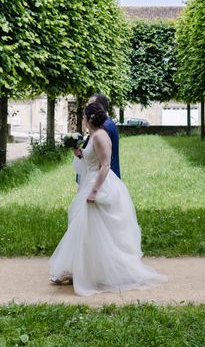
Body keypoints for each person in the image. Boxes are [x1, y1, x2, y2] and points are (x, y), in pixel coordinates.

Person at [49, 102, 166, 295]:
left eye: (85, 117)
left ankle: (88, 272)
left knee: (92, 229)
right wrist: (79, 154)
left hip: (99, 185)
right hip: (92, 182)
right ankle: (76, 269)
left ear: (90, 118)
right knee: (82, 228)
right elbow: (91, 159)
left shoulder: (101, 136)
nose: (83, 120)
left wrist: (94, 191)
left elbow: (105, 166)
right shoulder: (94, 135)